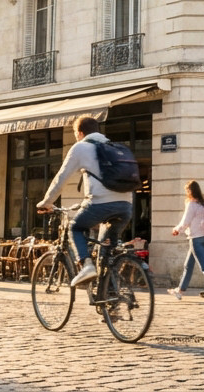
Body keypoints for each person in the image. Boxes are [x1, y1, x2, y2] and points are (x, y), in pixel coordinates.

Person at [36, 116, 133, 287]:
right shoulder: (114, 147)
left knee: (75, 227)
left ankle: (85, 265)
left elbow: (61, 179)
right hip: (125, 205)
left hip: (100, 204)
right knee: (105, 251)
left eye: (75, 134)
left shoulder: (81, 147)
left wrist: (46, 202)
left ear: (80, 133)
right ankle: (110, 298)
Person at [168, 180, 204, 303]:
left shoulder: (192, 204)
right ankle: (180, 290)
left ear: (189, 191)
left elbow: (185, 221)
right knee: (188, 265)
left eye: (186, 190)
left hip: (196, 239)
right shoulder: (203, 204)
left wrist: (177, 230)